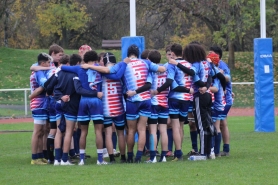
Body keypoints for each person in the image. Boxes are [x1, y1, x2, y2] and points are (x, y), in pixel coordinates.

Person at [209, 46, 232, 156]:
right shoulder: (214, 65)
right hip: (222, 99)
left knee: (220, 124)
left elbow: (227, 78)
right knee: (220, 124)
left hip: (223, 100)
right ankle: (222, 150)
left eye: (212, 53)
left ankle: (220, 150)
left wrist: (219, 73)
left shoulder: (221, 65)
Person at [30, 53, 51, 165]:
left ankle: (39, 156)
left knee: (42, 131)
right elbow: (44, 85)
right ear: (43, 63)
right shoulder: (39, 72)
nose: (50, 65)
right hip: (39, 103)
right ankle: (34, 158)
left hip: (42, 103)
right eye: (48, 63)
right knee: (38, 131)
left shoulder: (39, 69)